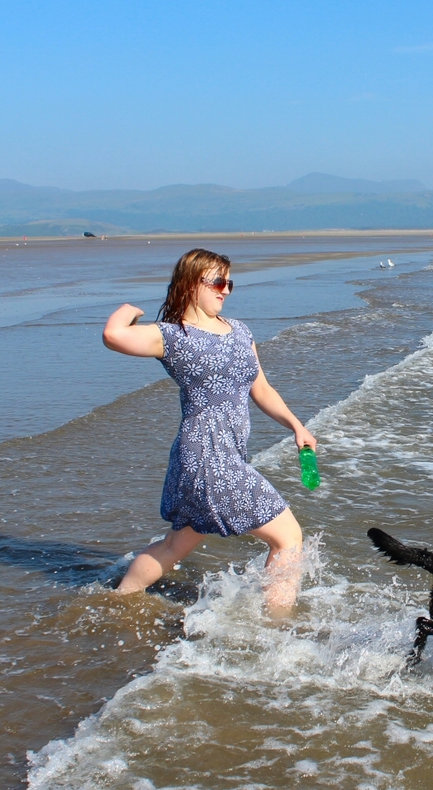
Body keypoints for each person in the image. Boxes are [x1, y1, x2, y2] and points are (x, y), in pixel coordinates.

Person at [102, 248, 315, 611]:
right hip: (206, 456)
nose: (226, 289)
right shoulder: (171, 336)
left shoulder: (241, 331)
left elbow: (261, 389)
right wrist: (130, 308)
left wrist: (297, 426)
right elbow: (113, 334)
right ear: (190, 284)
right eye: (217, 281)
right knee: (288, 537)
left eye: (229, 282)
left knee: (175, 546)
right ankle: (278, 626)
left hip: (225, 454)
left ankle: (118, 601)